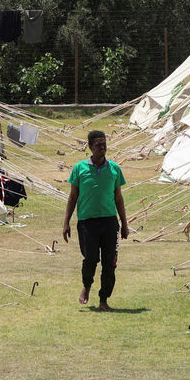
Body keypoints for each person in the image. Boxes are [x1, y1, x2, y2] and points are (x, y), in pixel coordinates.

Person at [61, 130, 129, 310]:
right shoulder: (79, 168)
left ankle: (103, 300)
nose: (102, 147)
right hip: (87, 222)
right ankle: (87, 285)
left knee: (110, 262)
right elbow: (73, 197)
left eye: (104, 144)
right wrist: (66, 222)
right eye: (98, 145)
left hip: (109, 222)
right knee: (90, 259)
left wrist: (124, 224)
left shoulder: (114, 168)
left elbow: (118, 198)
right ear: (90, 147)